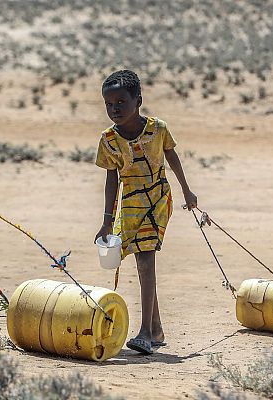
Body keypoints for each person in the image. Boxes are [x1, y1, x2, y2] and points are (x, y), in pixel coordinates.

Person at [94, 70, 197, 355]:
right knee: (137, 260)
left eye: (121, 102)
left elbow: (171, 156)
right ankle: (157, 328)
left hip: (157, 198)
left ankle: (145, 333)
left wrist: (187, 191)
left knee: (145, 259)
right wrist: (106, 221)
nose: (114, 109)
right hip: (129, 204)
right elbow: (111, 179)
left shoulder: (157, 128)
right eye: (109, 104)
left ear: (138, 100)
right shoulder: (108, 139)